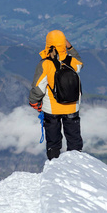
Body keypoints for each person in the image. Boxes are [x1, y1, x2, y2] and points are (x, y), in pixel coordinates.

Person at [29, 30, 84, 160]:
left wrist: (34, 102)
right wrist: (70, 48)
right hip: (72, 106)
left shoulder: (45, 64)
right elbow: (80, 63)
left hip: (52, 109)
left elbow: (38, 87)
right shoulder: (72, 62)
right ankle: (76, 164)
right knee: (74, 138)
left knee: (53, 141)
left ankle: (54, 163)